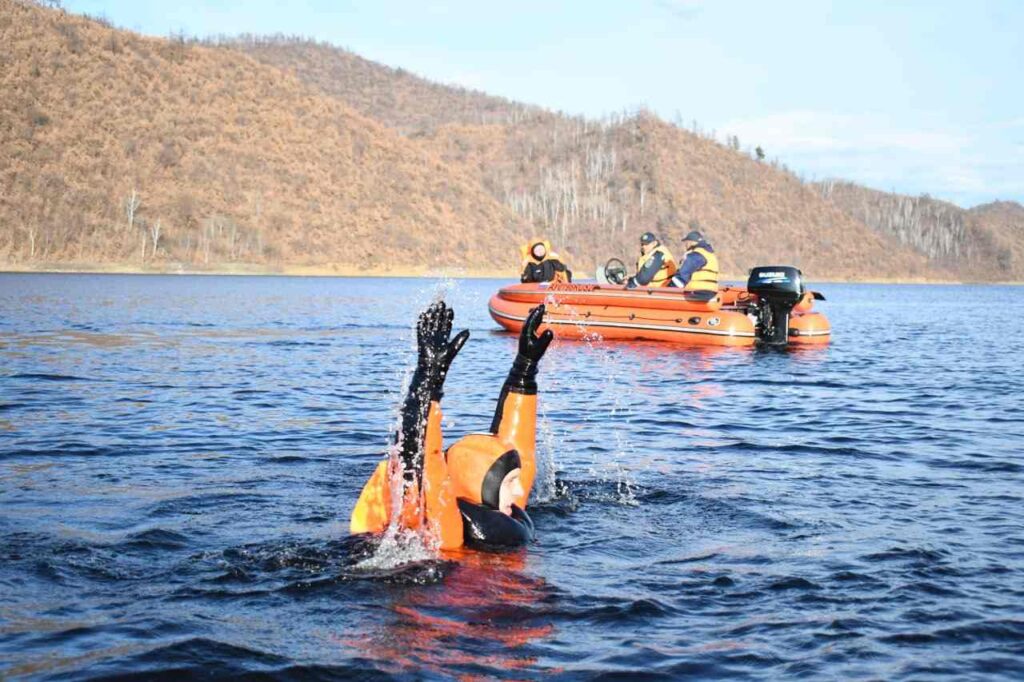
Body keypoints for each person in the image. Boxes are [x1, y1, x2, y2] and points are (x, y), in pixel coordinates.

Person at [350, 301, 553, 550]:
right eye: (511, 481)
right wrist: (427, 379)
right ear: (482, 485)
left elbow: (521, 453)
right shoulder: (447, 533)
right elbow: (422, 461)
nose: (520, 488)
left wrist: (524, 370)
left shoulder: (502, 511)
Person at [668, 230, 719, 298]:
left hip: (698, 293)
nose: (685, 245)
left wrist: (669, 289)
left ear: (690, 242)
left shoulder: (695, 255)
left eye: (686, 242)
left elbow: (681, 277)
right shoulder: (709, 253)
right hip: (711, 292)